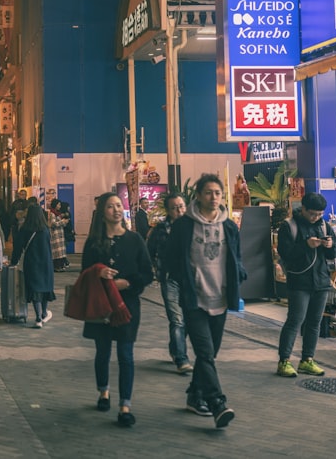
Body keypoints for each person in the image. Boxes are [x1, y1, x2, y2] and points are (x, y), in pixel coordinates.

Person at [162, 173, 246, 429]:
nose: (213, 198)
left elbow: (236, 257)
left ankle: (193, 395)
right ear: (197, 196)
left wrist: (239, 275)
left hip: (220, 298)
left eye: (217, 193)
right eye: (208, 193)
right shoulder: (184, 225)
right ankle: (216, 402)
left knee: (210, 354)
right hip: (194, 299)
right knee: (205, 353)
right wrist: (184, 281)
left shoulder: (229, 226)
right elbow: (169, 257)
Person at [81, 191, 153, 428]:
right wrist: (98, 273)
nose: (115, 210)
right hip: (101, 303)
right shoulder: (93, 242)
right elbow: (83, 273)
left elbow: (147, 273)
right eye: (110, 206)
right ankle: (103, 391)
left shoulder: (135, 240)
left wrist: (128, 283)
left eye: (118, 205)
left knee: (125, 355)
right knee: (102, 352)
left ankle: (125, 405)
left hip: (127, 304)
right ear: (102, 212)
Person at [275, 192, 336, 378]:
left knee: (314, 322)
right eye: (312, 214)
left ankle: (307, 359)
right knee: (295, 320)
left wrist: (330, 246)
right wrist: (306, 245)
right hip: (299, 281)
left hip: (321, 281)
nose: (316, 218)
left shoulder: (325, 226)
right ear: (302, 208)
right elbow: (285, 253)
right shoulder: (289, 226)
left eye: (319, 214)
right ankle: (284, 361)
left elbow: (334, 253)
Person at [146, 193, 192, 375]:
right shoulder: (160, 229)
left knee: (187, 319)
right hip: (169, 279)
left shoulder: (193, 226)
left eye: (181, 206)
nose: (179, 211)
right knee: (177, 319)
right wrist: (156, 271)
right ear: (168, 211)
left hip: (189, 280)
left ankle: (175, 348)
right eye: (174, 208)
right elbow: (149, 251)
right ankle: (181, 358)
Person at [11, 202, 55, 329]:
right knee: (45, 287)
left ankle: (38, 318)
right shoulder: (45, 229)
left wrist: (14, 261)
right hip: (46, 262)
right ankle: (44, 312)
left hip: (31, 262)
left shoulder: (24, 229)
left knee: (35, 288)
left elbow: (18, 248)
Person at [48, 199, 69, 272]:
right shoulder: (52, 214)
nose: (60, 206)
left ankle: (60, 266)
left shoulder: (57, 213)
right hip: (55, 235)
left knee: (60, 252)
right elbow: (53, 224)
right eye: (58, 204)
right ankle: (56, 267)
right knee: (57, 252)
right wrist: (63, 222)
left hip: (59, 235)